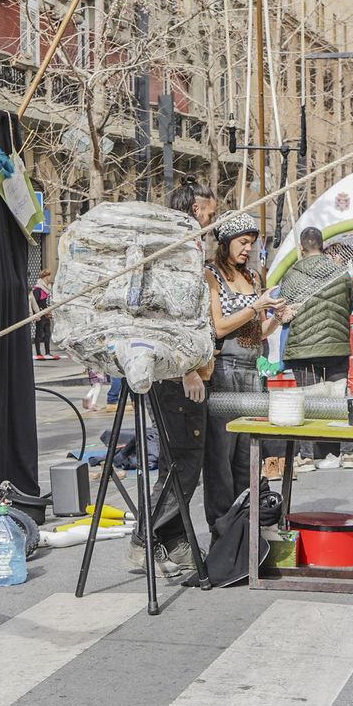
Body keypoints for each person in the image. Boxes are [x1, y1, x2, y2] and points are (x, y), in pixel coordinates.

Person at [124, 182, 214, 578]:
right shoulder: (176, 253)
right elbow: (172, 316)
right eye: (209, 215)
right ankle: (145, 540)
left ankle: (173, 539)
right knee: (182, 462)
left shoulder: (171, 249)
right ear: (195, 209)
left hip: (171, 371)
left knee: (178, 461)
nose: (209, 225)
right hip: (174, 374)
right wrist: (187, 367)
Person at [203, 210, 289, 527]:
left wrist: (278, 317)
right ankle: (222, 525)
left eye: (251, 243)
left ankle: (248, 522)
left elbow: (256, 334)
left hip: (252, 369)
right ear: (225, 242)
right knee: (221, 455)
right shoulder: (211, 275)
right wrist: (256, 306)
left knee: (247, 451)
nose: (247, 249)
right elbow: (219, 327)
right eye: (242, 242)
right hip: (225, 369)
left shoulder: (252, 278)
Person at [280, 227, 353, 468]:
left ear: (301, 247)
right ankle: (347, 453)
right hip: (336, 343)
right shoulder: (341, 274)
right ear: (323, 245)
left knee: (307, 400)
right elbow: (349, 303)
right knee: (340, 399)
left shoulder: (291, 274)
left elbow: (285, 310)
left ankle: (307, 456)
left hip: (304, 346)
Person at [30, 270, 54, 358]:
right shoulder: (38, 289)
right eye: (49, 276)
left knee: (48, 333)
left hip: (46, 313)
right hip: (40, 313)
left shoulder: (47, 288)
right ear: (46, 276)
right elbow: (34, 302)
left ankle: (48, 352)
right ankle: (38, 353)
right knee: (39, 333)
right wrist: (38, 313)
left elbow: (47, 302)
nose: (50, 278)